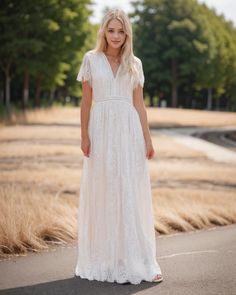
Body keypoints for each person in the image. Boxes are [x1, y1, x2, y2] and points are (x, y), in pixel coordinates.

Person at [74, 8, 163, 285]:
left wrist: (147, 139)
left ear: (127, 34)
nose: (115, 35)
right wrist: (84, 136)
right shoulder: (91, 59)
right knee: (103, 190)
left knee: (129, 192)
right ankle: (104, 259)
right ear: (104, 31)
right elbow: (86, 101)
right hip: (100, 131)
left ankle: (137, 260)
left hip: (129, 132)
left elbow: (139, 104)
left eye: (120, 31)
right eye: (111, 30)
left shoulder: (134, 63)